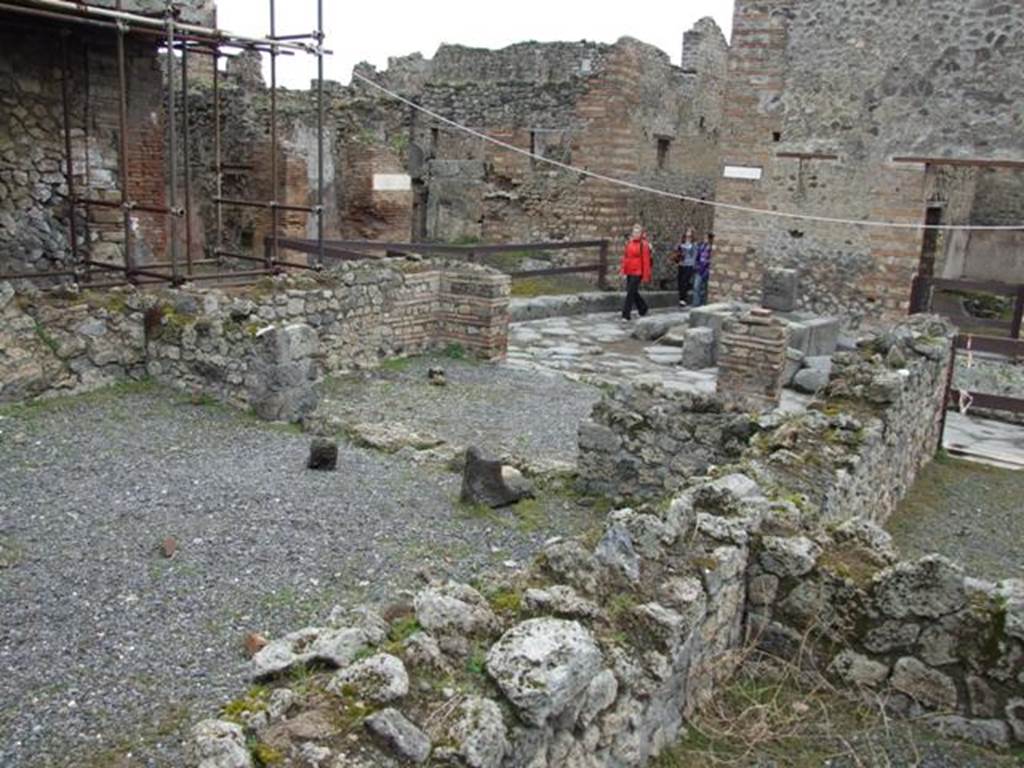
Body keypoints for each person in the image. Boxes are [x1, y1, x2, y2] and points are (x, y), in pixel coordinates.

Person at [620, 223, 652, 321]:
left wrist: (646, 276)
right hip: (630, 270)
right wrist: (623, 271)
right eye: (634, 232)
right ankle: (643, 308)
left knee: (630, 293)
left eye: (637, 232)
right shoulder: (629, 243)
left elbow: (646, 261)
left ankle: (626, 315)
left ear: (641, 233)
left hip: (638, 272)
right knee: (632, 292)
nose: (635, 234)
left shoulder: (644, 245)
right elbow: (626, 258)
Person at [673, 227, 698, 306]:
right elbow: (676, 250)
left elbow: (695, 255)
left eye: (690, 231)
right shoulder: (681, 242)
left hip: (689, 265)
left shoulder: (694, 244)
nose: (688, 233)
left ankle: (683, 299)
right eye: (687, 231)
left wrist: (693, 265)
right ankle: (681, 298)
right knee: (680, 282)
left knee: (685, 281)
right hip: (681, 264)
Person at [693, 231, 714, 307]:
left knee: (704, 289)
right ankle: (696, 304)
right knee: (696, 287)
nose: (705, 239)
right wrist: (696, 264)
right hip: (699, 269)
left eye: (706, 238)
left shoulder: (711, 248)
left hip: (706, 270)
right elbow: (698, 257)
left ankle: (703, 303)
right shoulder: (702, 247)